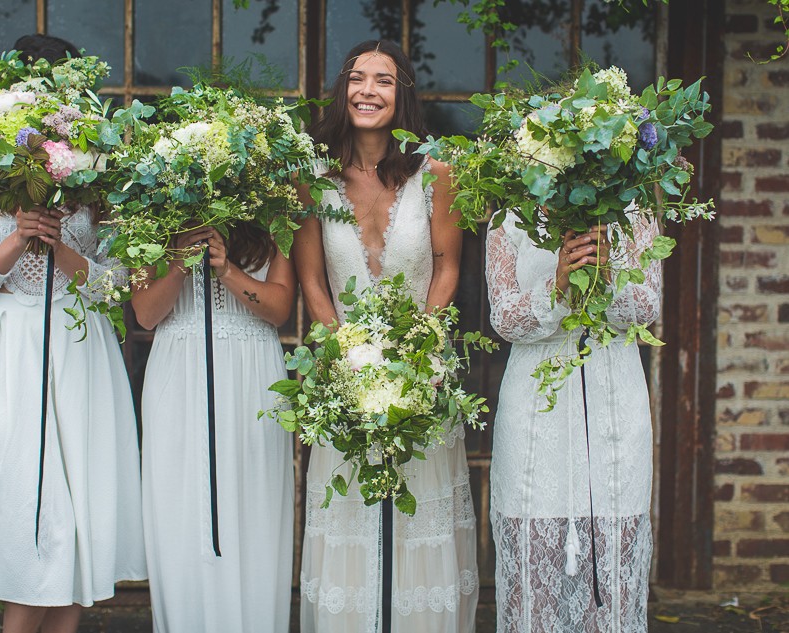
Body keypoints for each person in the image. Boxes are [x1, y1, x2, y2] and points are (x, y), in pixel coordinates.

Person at [0, 34, 146, 633]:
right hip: (11, 351)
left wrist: (66, 252)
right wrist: (18, 235)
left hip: (80, 349)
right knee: (33, 517)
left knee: (77, 519)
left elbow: (115, 289)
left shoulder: (96, 174)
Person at [292, 39, 479, 633]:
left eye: (384, 80)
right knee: (348, 512)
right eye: (357, 77)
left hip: (421, 372)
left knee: (417, 515)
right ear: (341, 89)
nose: (367, 90)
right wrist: (345, 354)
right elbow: (312, 281)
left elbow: (448, 267)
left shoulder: (436, 174)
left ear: (403, 97)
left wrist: (418, 353)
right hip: (342, 374)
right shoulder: (313, 179)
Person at [486, 215, 659, 631]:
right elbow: (505, 319)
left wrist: (605, 273)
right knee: (532, 564)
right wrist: (559, 285)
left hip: (613, 397)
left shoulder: (633, 209)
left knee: (612, 559)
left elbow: (647, 308)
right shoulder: (508, 217)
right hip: (534, 404)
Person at [133, 223, 296, 633]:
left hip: (252, 372)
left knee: (252, 510)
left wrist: (227, 271)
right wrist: (177, 267)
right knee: (180, 510)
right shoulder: (146, 213)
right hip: (178, 371)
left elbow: (279, 309)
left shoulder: (276, 210)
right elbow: (146, 314)